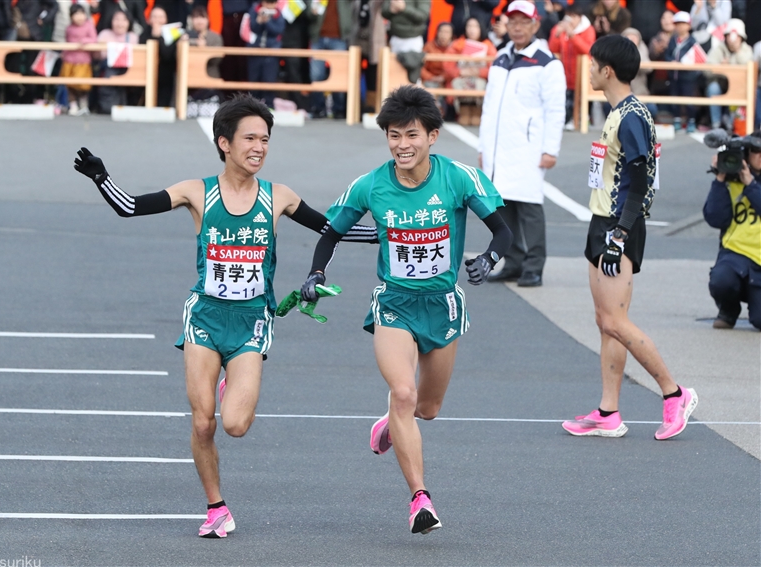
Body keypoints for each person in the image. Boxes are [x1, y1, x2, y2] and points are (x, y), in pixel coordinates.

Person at [73, 95, 377, 538]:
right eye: (250, 138)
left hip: (253, 320)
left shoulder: (279, 197)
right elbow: (131, 206)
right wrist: (102, 177)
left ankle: (229, 379)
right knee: (202, 421)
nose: (259, 147)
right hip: (205, 317)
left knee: (234, 424)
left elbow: (334, 228)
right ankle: (216, 506)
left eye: (265, 140)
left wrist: (396, 229)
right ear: (224, 143)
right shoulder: (197, 192)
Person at [299, 85, 512, 535]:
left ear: (433, 136)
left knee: (428, 408)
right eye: (394, 136)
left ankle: (395, 424)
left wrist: (489, 259)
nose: (402, 145)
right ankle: (420, 500)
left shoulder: (459, 178)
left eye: (411, 134)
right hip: (394, 303)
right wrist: (316, 274)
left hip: (444, 305)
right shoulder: (370, 185)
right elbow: (329, 233)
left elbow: (502, 232)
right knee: (403, 393)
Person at [562, 35, 698, 440]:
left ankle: (675, 393)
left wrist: (618, 235)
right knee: (605, 323)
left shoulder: (632, 116)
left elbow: (639, 181)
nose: (587, 70)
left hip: (617, 226)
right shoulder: (619, 111)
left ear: (607, 70)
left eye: (591, 64)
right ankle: (608, 412)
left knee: (615, 321)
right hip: (601, 221)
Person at [479, 0, 565, 287]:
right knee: (503, 207)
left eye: (523, 21)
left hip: (529, 147)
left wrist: (550, 148)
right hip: (499, 148)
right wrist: (484, 147)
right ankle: (513, 261)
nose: (517, 27)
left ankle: (534, 265)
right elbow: (489, 107)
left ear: (536, 25)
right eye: (512, 21)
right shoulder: (501, 58)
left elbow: (556, 109)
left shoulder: (546, 62)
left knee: (529, 207)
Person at [703, 131, 761, 330]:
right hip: (735, 254)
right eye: (755, 151)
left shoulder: (748, 182)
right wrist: (719, 179)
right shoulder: (732, 179)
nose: (760, 156)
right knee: (721, 279)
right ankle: (728, 311)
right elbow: (715, 218)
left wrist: (751, 185)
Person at [548, 3, 596, 129]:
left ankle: (583, 120)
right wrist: (557, 34)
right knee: (565, 103)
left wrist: (573, 36)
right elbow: (552, 49)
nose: (571, 20)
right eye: (569, 16)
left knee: (581, 101)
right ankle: (568, 120)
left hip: (582, 75)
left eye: (574, 16)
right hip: (565, 74)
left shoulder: (588, 30)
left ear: (580, 17)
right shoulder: (560, 28)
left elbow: (589, 50)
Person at [444, 16, 496, 126]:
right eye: (469, 26)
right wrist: (460, 72)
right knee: (458, 84)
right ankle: (463, 112)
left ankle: (478, 112)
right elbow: (447, 65)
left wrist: (479, 72)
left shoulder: (488, 45)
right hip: (461, 77)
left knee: (481, 85)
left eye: (475, 26)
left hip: (480, 78)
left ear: (481, 28)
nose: (472, 29)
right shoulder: (457, 44)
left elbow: (494, 67)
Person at [309, 0, 355, 119]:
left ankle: (339, 109)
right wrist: (311, 11)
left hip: (339, 37)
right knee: (316, 75)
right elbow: (307, 13)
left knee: (339, 75)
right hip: (318, 37)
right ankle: (318, 108)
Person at [705, 18, 753, 130]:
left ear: (741, 38)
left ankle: (731, 123)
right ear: (725, 36)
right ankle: (716, 123)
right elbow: (706, 70)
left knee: (739, 90)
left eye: (737, 36)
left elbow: (749, 69)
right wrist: (721, 68)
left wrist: (737, 52)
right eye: (729, 35)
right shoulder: (718, 49)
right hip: (720, 84)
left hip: (738, 88)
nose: (733, 39)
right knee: (713, 88)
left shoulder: (747, 50)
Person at [664, 11, 702, 133]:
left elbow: (696, 57)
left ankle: (691, 120)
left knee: (688, 99)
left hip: (688, 77)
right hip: (674, 76)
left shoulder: (692, 41)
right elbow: (667, 54)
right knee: (674, 98)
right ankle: (677, 119)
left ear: (689, 26)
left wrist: (682, 63)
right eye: (678, 24)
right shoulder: (672, 40)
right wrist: (671, 62)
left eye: (683, 24)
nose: (680, 27)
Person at [95, 9, 139, 113]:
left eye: (124, 20)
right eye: (117, 19)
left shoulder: (133, 37)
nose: (120, 23)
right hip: (108, 69)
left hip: (128, 70)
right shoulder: (104, 34)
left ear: (129, 22)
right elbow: (97, 56)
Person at [61, 4, 98, 116]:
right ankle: (73, 105)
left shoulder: (89, 26)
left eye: (81, 13)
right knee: (70, 84)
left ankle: (83, 105)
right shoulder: (68, 28)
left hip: (83, 61)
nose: (79, 17)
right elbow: (67, 42)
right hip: (69, 60)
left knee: (83, 85)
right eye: (76, 14)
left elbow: (94, 39)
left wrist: (84, 41)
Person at [247, 0, 285, 108]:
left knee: (269, 80)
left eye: (271, 3)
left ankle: (269, 106)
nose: (269, 6)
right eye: (266, 3)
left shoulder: (278, 14)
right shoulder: (255, 10)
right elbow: (253, 28)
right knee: (254, 81)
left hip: (271, 52)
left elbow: (278, 30)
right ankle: (253, 107)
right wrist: (259, 21)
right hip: (255, 51)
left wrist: (267, 21)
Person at [622, 27, 657, 119]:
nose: (631, 39)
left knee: (652, 109)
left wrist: (635, 54)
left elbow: (649, 68)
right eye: (628, 37)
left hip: (640, 94)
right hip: (621, 94)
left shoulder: (643, 49)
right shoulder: (617, 51)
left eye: (634, 37)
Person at [421, 21, 453, 89]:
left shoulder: (454, 48)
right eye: (441, 31)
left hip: (447, 80)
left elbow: (455, 68)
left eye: (447, 32)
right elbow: (421, 67)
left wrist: (443, 77)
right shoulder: (429, 46)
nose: (443, 35)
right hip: (430, 80)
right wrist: (431, 78)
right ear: (437, 32)